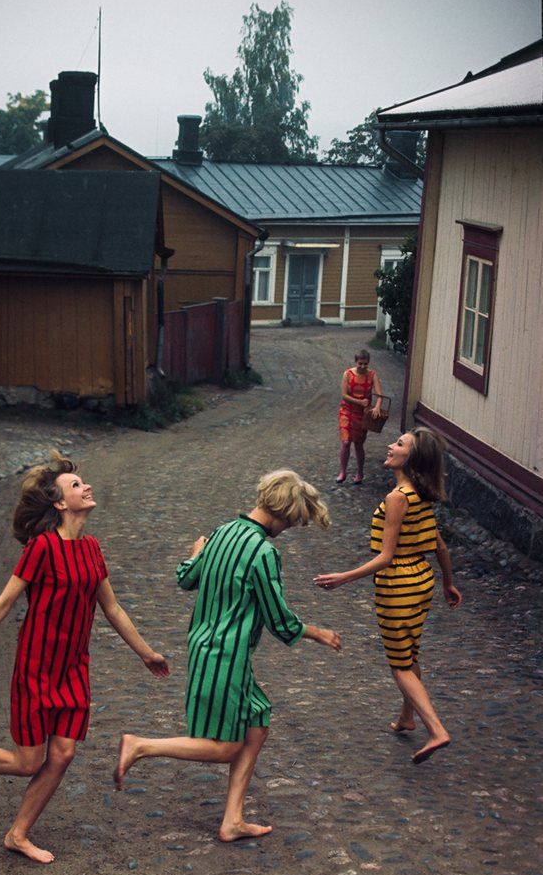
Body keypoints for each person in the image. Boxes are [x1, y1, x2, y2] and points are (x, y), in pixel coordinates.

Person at [0, 452, 169, 864]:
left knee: (62, 754)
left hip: (74, 668)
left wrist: (146, 653)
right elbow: (4, 603)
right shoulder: (41, 548)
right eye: (76, 486)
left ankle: (18, 834)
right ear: (60, 503)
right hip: (37, 668)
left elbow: (112, 609)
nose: (86, 487)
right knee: (28, 762)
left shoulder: (93, 548)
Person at [114, 470, 342, 841]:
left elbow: (186, 578)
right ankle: (141, 745)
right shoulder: (264, 553)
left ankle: (232, 820)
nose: (287, 529)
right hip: (226, 655)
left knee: (257, 722)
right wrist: (318, 633)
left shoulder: (222, 532)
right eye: (292, 522)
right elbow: (279, 621)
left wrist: (195, 555)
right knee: (225, 747)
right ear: (283, 512)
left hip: (206, 646)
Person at [315, 427, 462, 764]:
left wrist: (344, 577)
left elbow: (386, 557)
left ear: (411, 458)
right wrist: (447, 583)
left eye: (399, 444)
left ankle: (436, 729)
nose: (390, 446)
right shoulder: (419, 495)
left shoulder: (397, 498)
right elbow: (439, 545)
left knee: (399, 666)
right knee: (409, 654)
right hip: (421, 580)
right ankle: (407, 717)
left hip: (399, 585)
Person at [337, 349, 383, 484]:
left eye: (365, 364)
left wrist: (377, 407)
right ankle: (342, 472)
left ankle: (360, 473)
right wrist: (359, 402)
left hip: (362, 414)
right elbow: (344, 394)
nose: (363, 367)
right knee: (345, 442)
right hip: (347, 411)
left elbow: (380, 395)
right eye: (360, 364)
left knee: (358, 444)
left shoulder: (372, 375)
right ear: (355, 362)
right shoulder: (348, 374)